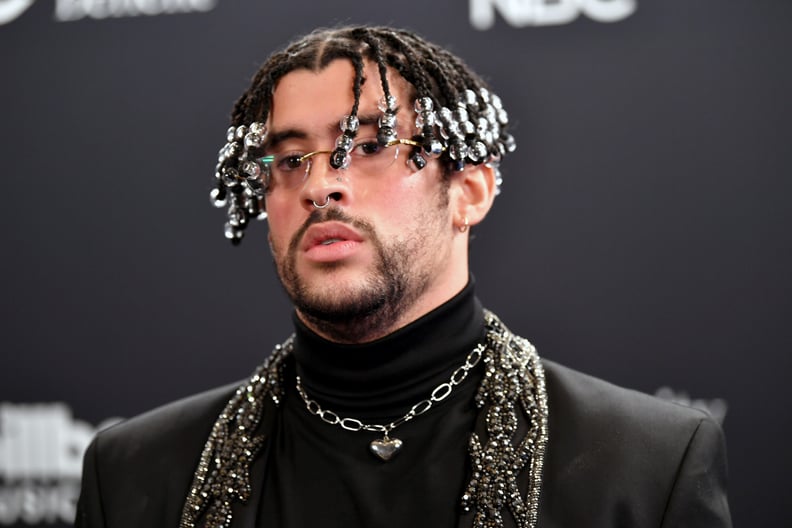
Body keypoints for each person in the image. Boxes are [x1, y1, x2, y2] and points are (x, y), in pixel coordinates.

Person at [75, 26, 731, 528]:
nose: (322, 185)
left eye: (367, 146)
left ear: (469, 192)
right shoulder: (137, 475)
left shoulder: (647, 468)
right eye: (289, 157)